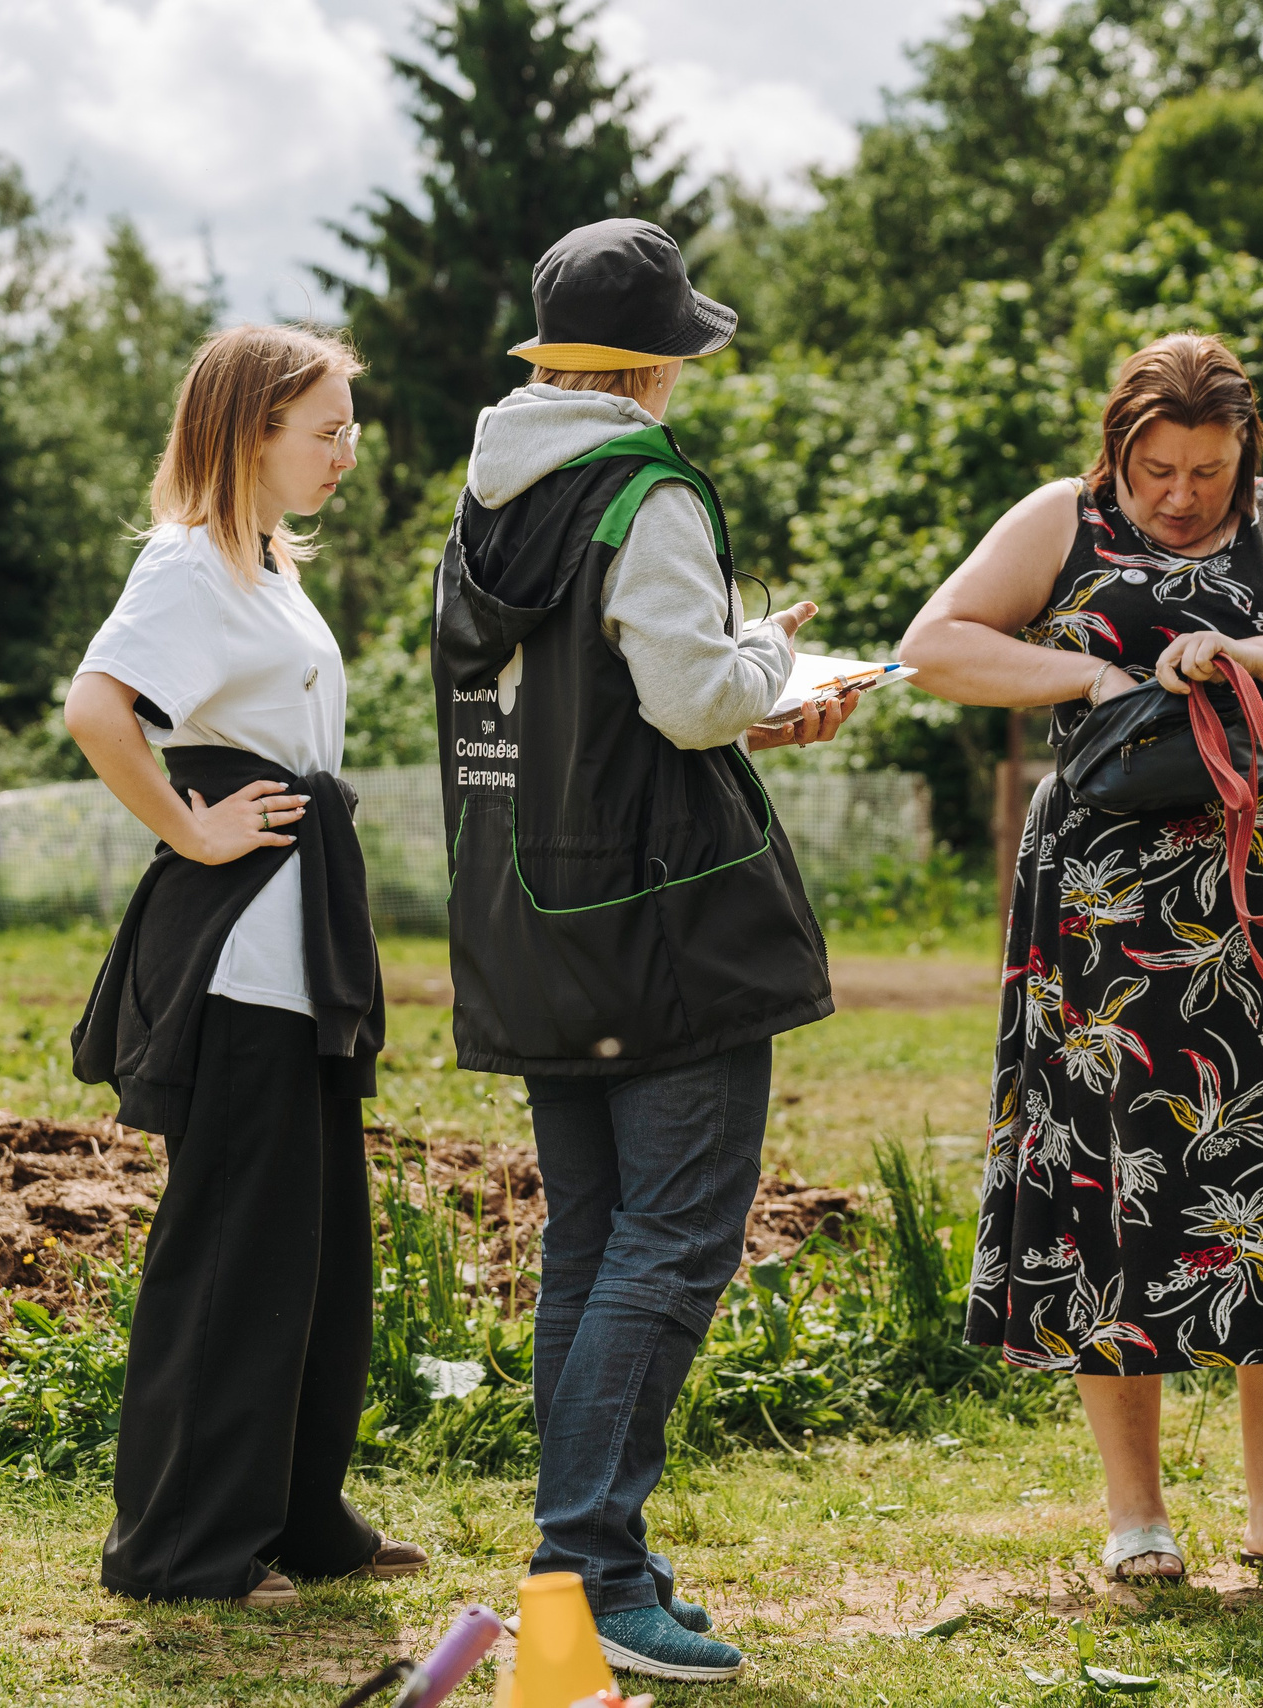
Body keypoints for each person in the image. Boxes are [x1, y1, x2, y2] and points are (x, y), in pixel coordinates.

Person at [903, 333, 1263, 1583]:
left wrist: (1247, 654)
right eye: (1156, 471)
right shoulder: (1059, 519)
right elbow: (934, 645)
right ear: (1116, 451)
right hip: (1102, 912)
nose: (1182, 495)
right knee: (1112, 1170)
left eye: (1207, 470)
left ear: (1246, 452)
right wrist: (1092, 675)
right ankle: (1135, 1515)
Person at [434, 218, 855, 1683]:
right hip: (665, 928)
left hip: (533, 921)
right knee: (672, 1243)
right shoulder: (645, 491)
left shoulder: (486, 502)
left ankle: (581, 1562)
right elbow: (686, 702)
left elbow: (590, 703)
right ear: (653, 365)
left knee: (590, 1242)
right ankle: (595, 1570)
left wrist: (730, 675)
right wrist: (769, 661)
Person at [68, 324, 422, 1604]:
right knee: (233, 1248)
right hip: (241, 962)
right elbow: (97, 708)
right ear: (248, 432)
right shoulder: (189, 561)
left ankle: (295, 1515)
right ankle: (179, 1545)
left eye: (349, 428)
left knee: (314, 1248)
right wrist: (188, 826)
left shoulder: (266, 562)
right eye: (326, 429)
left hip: (300, 953)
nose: (347, 452)